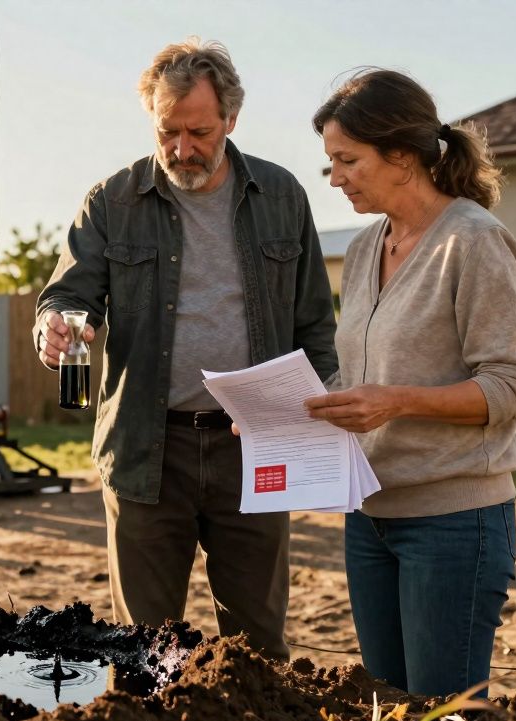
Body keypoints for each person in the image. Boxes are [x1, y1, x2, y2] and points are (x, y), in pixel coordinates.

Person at [33, 38, 338, 660]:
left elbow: (315, 324)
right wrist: (54, 327)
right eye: (167, 131)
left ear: (231, 119)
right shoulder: (111, 201)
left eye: (198, 132)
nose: (181, 148)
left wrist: (319, 421)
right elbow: (66, 295)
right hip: (147, 450)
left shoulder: (282, 196)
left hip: (253, 445)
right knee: (142, 653)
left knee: (256, 652)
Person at [305, 69, 516, 696]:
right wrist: (279, 413)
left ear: (402, 157)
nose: (335, 179)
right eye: (331, 162)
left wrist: (397, 403)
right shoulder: (365, 248)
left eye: (348, 160)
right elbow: (361, 375)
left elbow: (513, 386)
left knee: (444, 715)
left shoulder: (475, 241)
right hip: (369, 516)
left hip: (453, 523)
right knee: (385, 708)